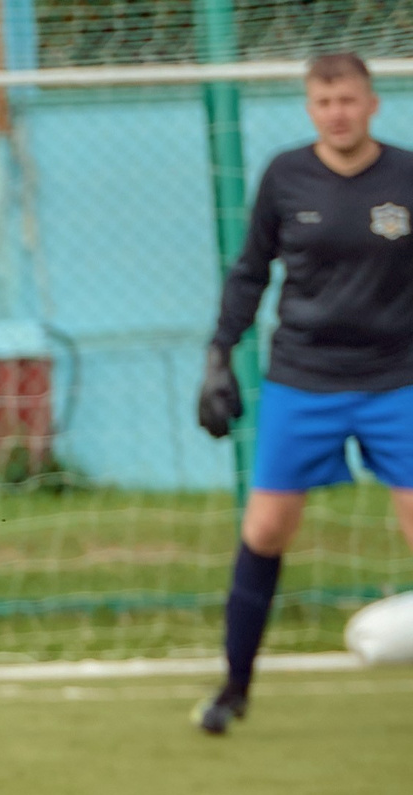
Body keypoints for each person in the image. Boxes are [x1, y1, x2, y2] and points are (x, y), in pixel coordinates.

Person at [195, 51, 413, 734]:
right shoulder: (286, 176)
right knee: (264, 529)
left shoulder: (406, 175)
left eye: (348, 100)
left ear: (371, 103)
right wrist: (218, 354)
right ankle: (234, 687)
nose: (337, 113)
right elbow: (250, 271)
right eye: (323, 102)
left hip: (396, 378)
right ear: (309, 108)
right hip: (304, 378)